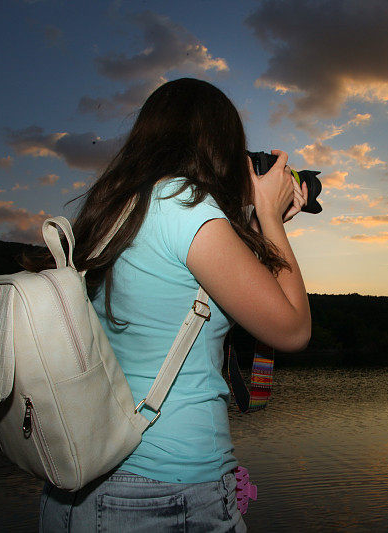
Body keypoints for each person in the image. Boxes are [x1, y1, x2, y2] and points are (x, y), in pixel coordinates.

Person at [34, 78, 311, 531]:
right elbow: (293, 329)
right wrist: (270, 218)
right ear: (220, 144)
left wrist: (261, 224)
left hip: (75, 494)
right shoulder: (186, 206)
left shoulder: (115, 207)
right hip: (163, 495)